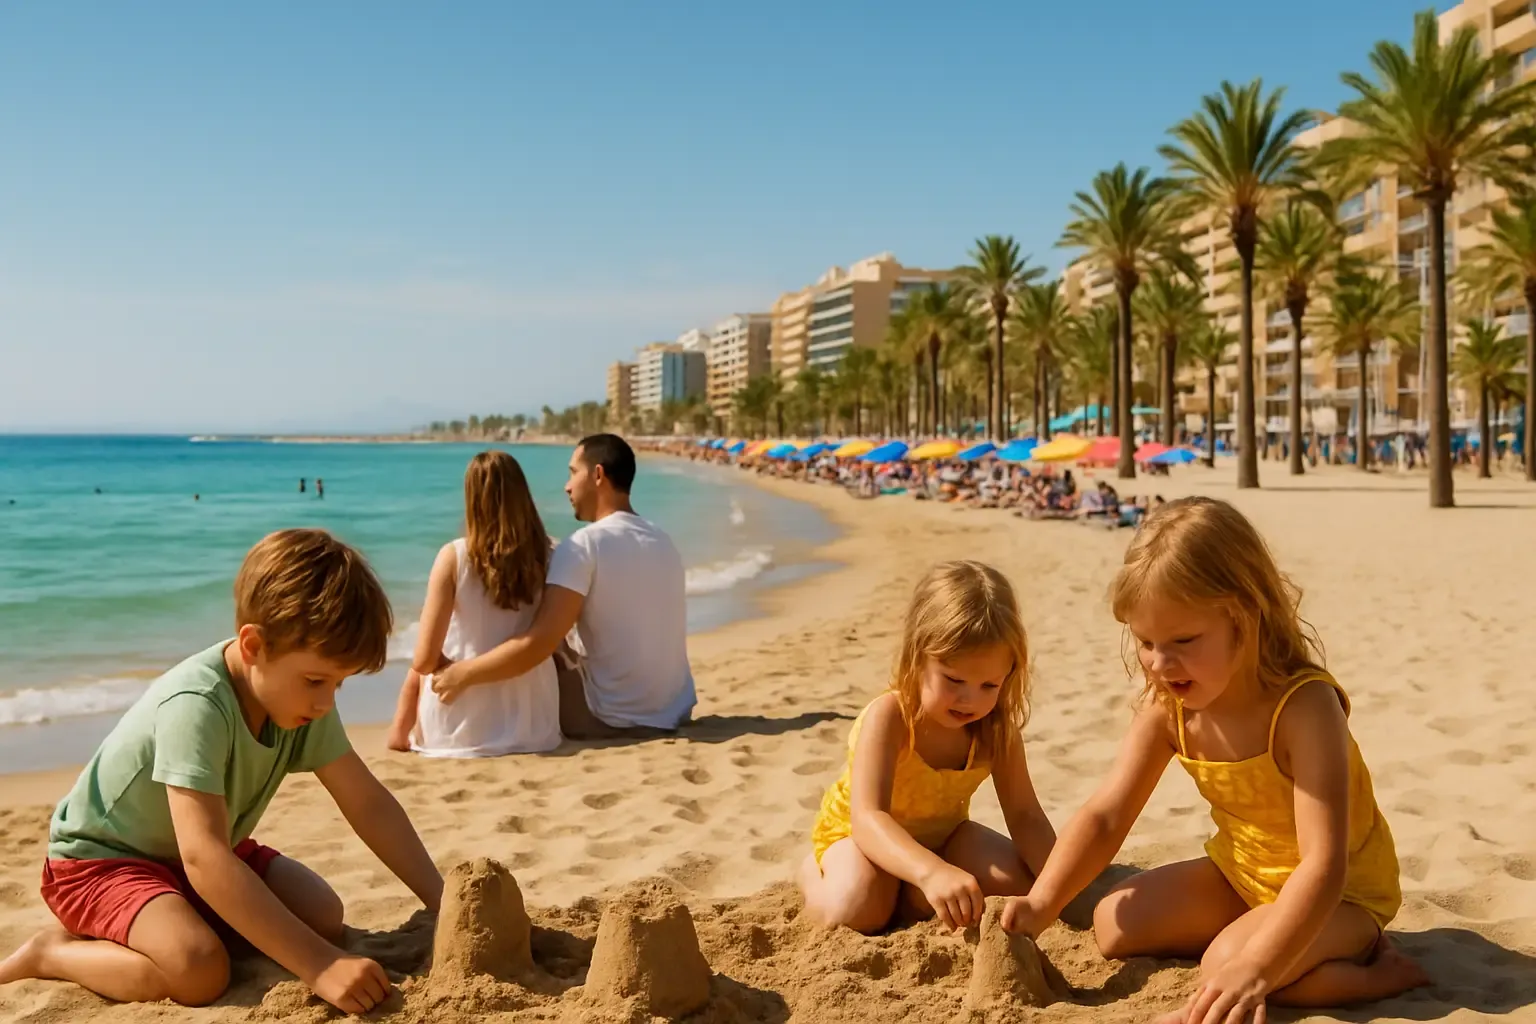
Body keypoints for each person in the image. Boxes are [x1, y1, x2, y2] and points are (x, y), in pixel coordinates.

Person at [1000, 498, 1426, 1023]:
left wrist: (1257, 967)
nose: (1159, 662)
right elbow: (1106, 816)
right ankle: (1260, 945)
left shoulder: (1303, 708)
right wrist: (1042, 903)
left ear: (1243, 617)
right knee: (1113, 923)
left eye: (1183, 641)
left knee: (1229, 965)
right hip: (1241, 874)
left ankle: (1378, 975)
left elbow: (1324, 864)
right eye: (1146, 641)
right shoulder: (1169, 710)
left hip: (1341, 896)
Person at [0, 530, 443, 1015]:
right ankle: (52, 953)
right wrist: (319, 966)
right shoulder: (198, 705)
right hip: (101, 863)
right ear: (254, 645)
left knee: (323, 914)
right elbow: (204, 858)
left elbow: (367, 803)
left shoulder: (298, 700)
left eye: (338, 684)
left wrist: (439, 899)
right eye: (316, 680)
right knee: (198, 971)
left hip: (198, 857)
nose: (325, 701)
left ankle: (180, 920)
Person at [799, 561, 1056, 935]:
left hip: (945, 838)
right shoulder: (891, 716)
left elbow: (1024, 816)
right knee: (858, 909)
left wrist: (1061, 887)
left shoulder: (997, 730)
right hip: (862, 839)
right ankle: (812, 873)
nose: (970, 699)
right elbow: (869, 818)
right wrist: (931, 872)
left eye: (989, 685)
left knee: (1022, 885)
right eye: (954, 679)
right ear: (918, 657)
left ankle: (908, 895)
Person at [430, 434, 694, 740]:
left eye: (572, 473)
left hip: (607, 717)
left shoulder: (583, 545)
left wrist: (462, 674)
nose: (567, 486)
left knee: (548, 647)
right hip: (675, 708)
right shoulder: (662, 539)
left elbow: (536, 645)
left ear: (597, 475)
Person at [385, 451, 561, 756]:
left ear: (472, 500)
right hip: (533, 720)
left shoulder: (454, 556)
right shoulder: (554, 556)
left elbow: (425, 659)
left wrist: (455, 670)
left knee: (421, 662)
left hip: (459, 720)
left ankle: (399, 732)